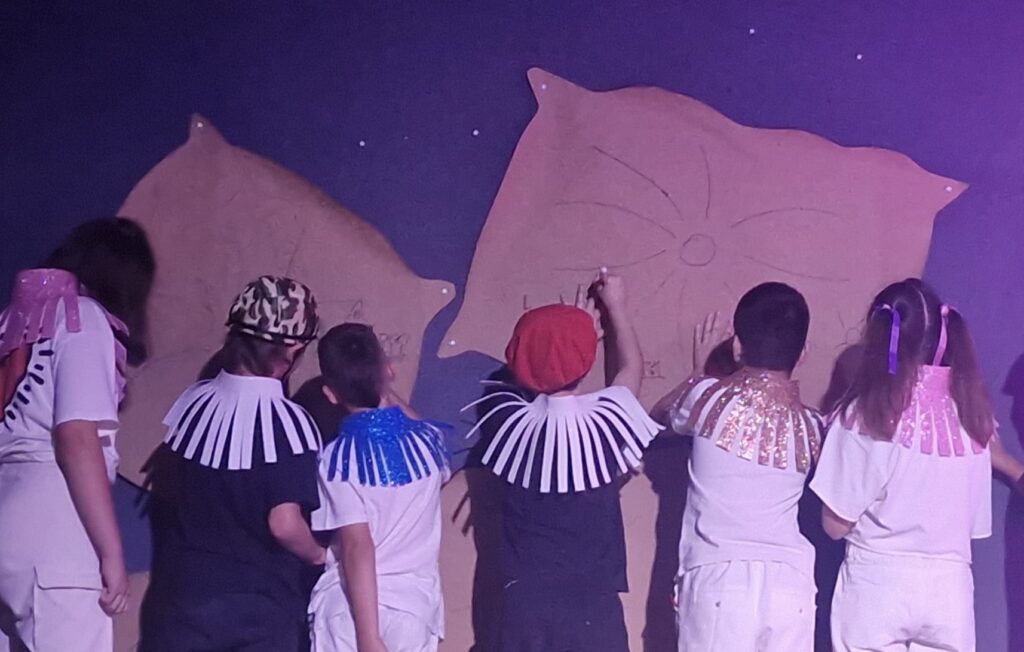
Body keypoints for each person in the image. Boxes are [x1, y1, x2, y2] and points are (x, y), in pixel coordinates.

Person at [466, 272, 661, 652]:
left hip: (525, 602)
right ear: (587, 360)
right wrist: (615, 308)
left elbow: (518, 375)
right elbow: (631, 371)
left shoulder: (505, 421)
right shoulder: (607, 422)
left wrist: (553, 345)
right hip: (592, 602)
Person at [140, 276, 326, 652]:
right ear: (293, 349)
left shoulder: (192, 403)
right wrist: (323, 556)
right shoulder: (289, 423)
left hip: (182, 601)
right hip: (256, 612)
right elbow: (284, 524)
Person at [810, 278, 993, 652]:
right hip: (950, 590)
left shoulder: (867, 414)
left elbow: (834, 526)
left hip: (878, 583)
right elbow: (974, 525)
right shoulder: (972, 417)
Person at [0, 218, 155, 651]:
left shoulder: (9, 326)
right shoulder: (81, 318)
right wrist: (111, 553)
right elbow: (76, 438)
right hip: (55, 526)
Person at [652, 282, 822, 652]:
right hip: (790, 585)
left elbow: (659, 418)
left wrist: (697, 374)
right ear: (804, 352)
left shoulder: (705, 397)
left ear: (737, 346)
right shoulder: (814, 426)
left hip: (719, 580)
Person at [308, 323, 449, 652]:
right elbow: (418, 425)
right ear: (389, 370)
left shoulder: (336, 460)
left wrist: (368, 636)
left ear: (330, 394)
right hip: (412, 611)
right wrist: (382, 387)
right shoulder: (430, 444)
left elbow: (357, 545)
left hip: (350, 614)